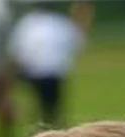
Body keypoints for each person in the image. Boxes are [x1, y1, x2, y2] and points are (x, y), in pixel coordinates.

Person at [6, 2, 92, 130]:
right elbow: (77, 44)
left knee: (41, 109)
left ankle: (35, 126)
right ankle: (51, 131)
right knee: (52, 111)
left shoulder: (27, 23)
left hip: (31, 72)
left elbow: (17, 52)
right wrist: (81, 20)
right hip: (53, 74)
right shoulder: (60, 23)